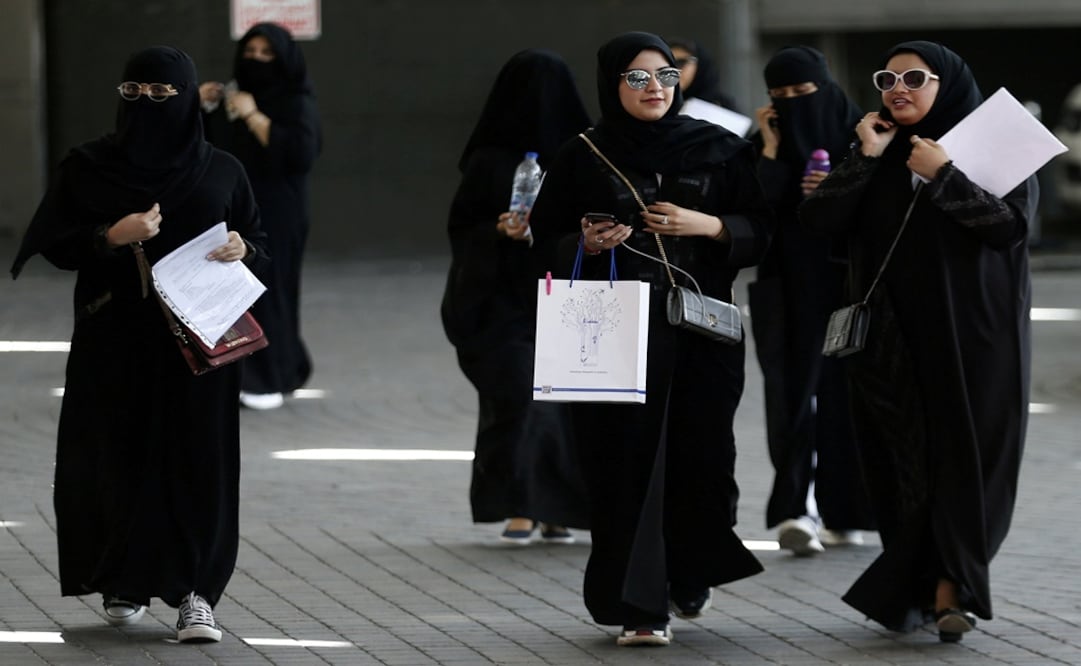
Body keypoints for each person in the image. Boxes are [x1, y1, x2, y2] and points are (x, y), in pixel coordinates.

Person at [10, 46, 266, 643]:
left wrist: (243, 250)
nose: (146, 104)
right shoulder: (90, 167)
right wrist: (110, 235)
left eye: (161, 94)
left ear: (187, 95)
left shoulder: (221, 169)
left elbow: (258, 236)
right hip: (115, 339)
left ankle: (196, 594)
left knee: (199, 462)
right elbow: (56, 240)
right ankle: (122, 582)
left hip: (198, 345)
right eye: (134, 93)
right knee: (112, 456)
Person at [528, 32, 771, 647]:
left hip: (702, 331)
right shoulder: (582, 154)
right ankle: (640, 605)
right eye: (636, 78)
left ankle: (690, 571)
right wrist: (583, 245)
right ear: (613, 84)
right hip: (614, 330)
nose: (654, 89)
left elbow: (767, 230)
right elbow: (543, 240)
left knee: (703, 458)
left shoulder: (718, 147)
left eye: (663, 75)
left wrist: (711, 226)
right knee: (623, 462)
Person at [800, 40, 1036, 642]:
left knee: (967, 458)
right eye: (887, 77)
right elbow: (819, 223)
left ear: (946, 84)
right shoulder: (873, 149)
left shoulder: (996, 147)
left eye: (913, 78)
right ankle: (919, 585)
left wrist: (943, 177)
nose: (897, 88)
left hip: (972, 339)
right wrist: (866, 157)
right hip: (888, 340)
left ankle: (953, 587)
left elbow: (1007, 230)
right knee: (904, 461)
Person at [440, 49, 592, 545]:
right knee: (521, 396)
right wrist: (497, 231)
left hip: (566, 298)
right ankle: (519, 505)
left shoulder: (584, 156)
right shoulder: (489, 162)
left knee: (562, 405)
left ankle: (554, 509)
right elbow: (463, 228)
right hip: (502, 300)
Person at [748, 46, 875, 556]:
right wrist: (773, 149)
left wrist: (841, 186)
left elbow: (883, 212)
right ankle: (792, 509)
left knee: (849, 399)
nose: (794, 103)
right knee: (789, 395)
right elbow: (752, 209)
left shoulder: (863, 136)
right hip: (786, 289)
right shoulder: (762, 143)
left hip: (849, 287)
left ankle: (847, 510)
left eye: (804, 92)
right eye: (780, 96)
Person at [199, 22, 321, 410]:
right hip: (236, 212)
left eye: (267, 54)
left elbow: (298, 155)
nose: (256, 60)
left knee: (273, 291)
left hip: (279, 212)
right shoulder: (233, 96)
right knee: (235, 293)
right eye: (250, 52)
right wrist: (201, 107)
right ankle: (241, 370)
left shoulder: (296, 102)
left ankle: (274, 375)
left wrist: (253, 114)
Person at [666, 37, 740, 111]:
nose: (674, 69)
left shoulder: (723, 107)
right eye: (668, 63)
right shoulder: (659, 104)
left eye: (680, 62)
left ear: (700, 64)